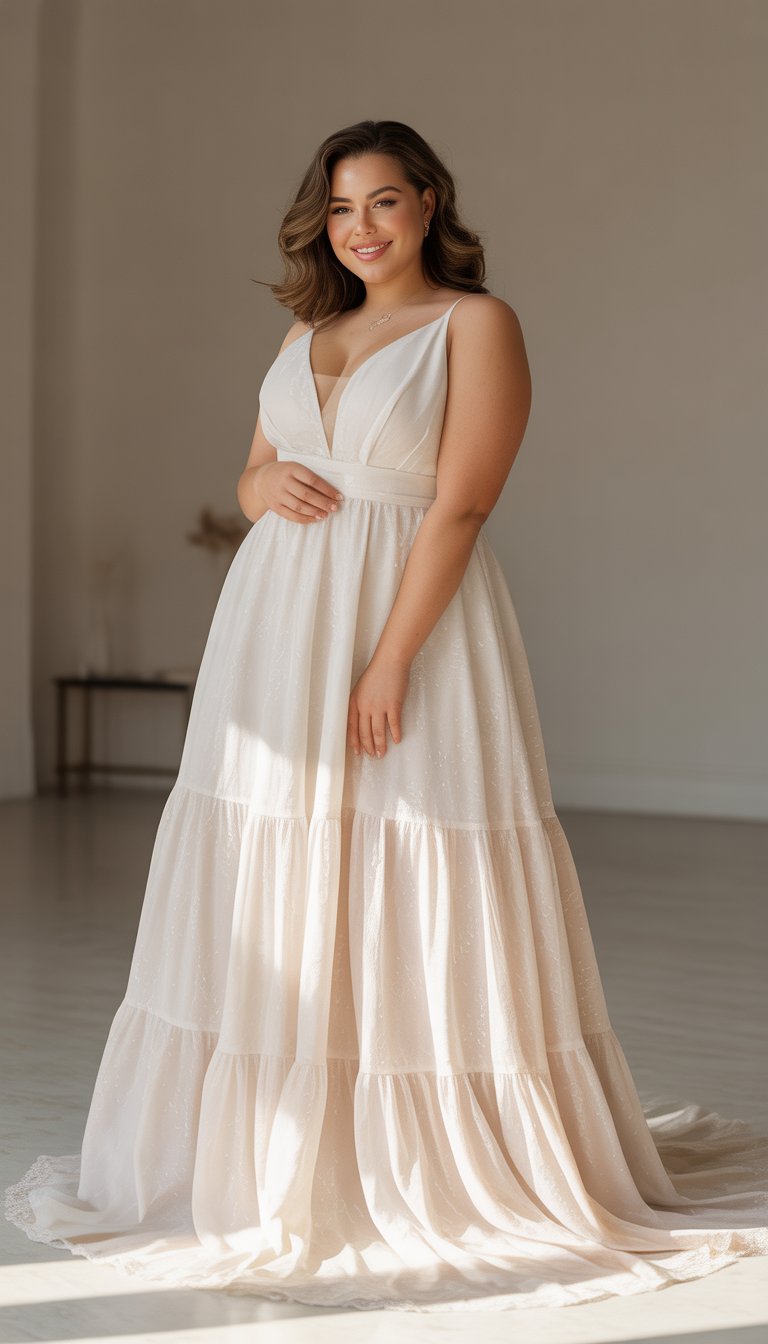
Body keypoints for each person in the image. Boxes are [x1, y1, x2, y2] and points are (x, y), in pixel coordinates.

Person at [5, 118, 768, 1314]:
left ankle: (418, 1152)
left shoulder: (478, 324)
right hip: (272, 630)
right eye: (342, 208)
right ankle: (273, 1150)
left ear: (429, 203)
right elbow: (252, 476)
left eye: (385, 204)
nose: (362, 229)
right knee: (274, 859)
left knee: (411, 852)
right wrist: (263, 487)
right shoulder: (307, 326)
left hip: (407, 621)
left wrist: (390, 660)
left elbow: (461, 507)